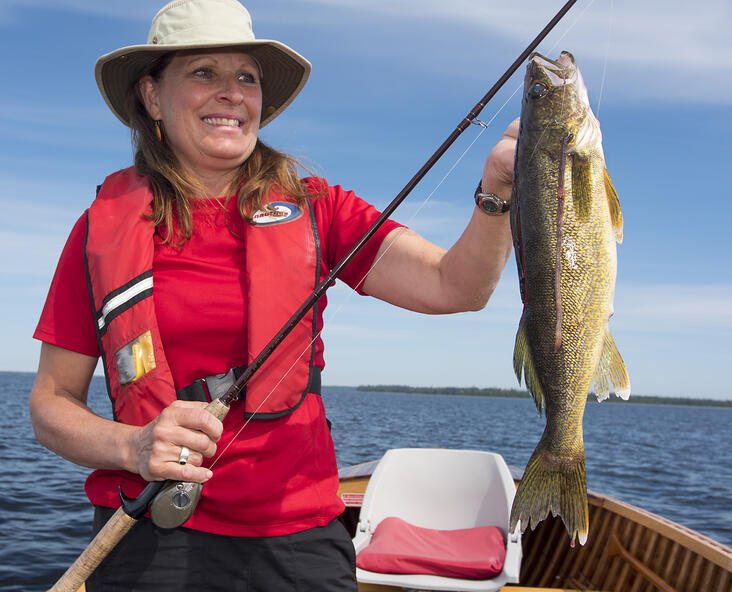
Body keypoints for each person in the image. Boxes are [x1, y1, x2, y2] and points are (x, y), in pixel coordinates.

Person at [29, 0, 517, 590]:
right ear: (153, 98)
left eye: (247, 78)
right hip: (145, 527)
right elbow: (52, 405)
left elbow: (455, 286)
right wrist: (132, 445)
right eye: (204, 72)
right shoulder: (97, 232)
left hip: (297, 532)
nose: (231, 92)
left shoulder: (321, 207)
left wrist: (497, 193)